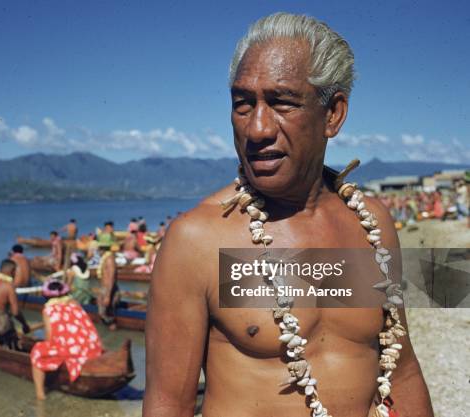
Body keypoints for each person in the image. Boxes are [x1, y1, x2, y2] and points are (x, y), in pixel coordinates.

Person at [144, 13, 432, 417]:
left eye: (281, 103)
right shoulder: (200, 238)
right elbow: (167, 404)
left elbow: (401, 371)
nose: (258, 128)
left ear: (332, 114)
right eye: (243, 104)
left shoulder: (371, 224)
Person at [30, 279, 103, 400]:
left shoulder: (48, 310)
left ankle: (40, 394)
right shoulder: (74, 302)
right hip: (91, 346)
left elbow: (49, 336)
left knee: (37, 352)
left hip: (73, 350)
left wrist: (46, 345)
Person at [96, 244, 120, 330]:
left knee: (109, 317)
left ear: (101, 248)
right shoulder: (105, 258)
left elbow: (111, 277)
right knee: (103, 314)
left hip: (109, 290)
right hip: (104, 289)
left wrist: (108, 296)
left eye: (98, 249)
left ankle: (113, 339)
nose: (97, 251)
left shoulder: (109, 259)